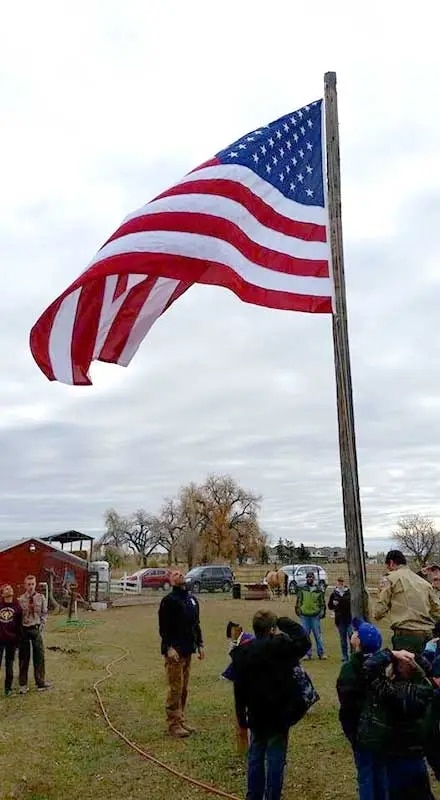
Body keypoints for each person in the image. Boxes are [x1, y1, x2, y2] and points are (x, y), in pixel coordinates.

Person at [232, 610, 310, 800]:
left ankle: (254, 796)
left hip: (257, 714)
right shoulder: (283, 648)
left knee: (256, 755)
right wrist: (284, 621)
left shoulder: (242, 653)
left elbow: (239, 691)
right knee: (275, 757)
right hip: (280, 714)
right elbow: (305, 641)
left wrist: (242, 721)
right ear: (273, 630)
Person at [358, 649, 435, 799]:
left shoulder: (388, 692)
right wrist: (416, 657)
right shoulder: (425, 690)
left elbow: (368, 667)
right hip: (416, 756)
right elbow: (431, 671)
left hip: (394, 756)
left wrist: (391, 653)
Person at [336, 618, 387, 798]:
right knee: (381, 772)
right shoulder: (385, 666)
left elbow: (346, 703)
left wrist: (350, 731)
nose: (353, 633)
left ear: (358, 642)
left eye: (357, 632)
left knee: (365, 774)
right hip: (382, 730)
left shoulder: (350, 669)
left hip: (361, 731)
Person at [158, 568, 204, 738]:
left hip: (188, 649)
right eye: (174, 574)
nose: (178, 574)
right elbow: (163, 628)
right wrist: (169, 647)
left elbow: (196, 624)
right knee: (175, 688)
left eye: (180, 573)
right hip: (174, 652)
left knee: (184, 688)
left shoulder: (192, 600)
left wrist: (200, 644)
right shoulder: (168, 601)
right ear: (170, 581)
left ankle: (180, 718)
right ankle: (173, 724)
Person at [374, 550, 440, 654]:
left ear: (391, 563)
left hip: (405, 637)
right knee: (426, 668)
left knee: (404, 668)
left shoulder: (390, 579)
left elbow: (379, 611)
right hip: (427, 636)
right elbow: (437, 610)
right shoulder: (424, 583)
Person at [18, 575, 51, 693]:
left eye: (32, 584)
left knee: (39, 657)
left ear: (35, 584)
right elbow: (18, 617)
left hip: (36, 629)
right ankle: (23, 684)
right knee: (24, 658)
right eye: (28, 584)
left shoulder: (41, 598)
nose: (31, 587)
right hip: (24, 630)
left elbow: (44, 613)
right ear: (25, 585)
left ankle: (40, 682)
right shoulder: (20, 600)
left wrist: (42, 624)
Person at [295, 571, 326, 660]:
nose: (309, 579)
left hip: (315, 616)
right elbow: (299, 601)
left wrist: (321, 612)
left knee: (318, 635)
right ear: (306, 579)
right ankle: (306, 654)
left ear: (314, 579)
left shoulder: (318, 590)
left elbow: (322, 603)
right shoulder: (302, 589)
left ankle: (321, 653)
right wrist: (298, 611)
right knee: (305, 636)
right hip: (304, 616)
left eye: (311, 577)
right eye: (308, 577)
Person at [0, 584, 23, 696]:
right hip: (0, 639)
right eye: (6, 589)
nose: (10, 589)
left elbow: (19, 625)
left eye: (10, 588)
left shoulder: (17, 607)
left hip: (11, 641)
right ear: (2, 594)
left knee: (9, 665)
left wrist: (17, 640)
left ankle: (7, 689)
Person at [328, 577, 352, 663]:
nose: (340, 584)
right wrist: (333, 603)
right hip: (340, 619)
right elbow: (330, 606)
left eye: (341, 582)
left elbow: (351, 604)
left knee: (351, 636)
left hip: (349, 618)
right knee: (343, 639)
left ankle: (352, 655)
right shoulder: (334, 594)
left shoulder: (349, 593)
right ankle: (345, 656)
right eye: (339, 582)